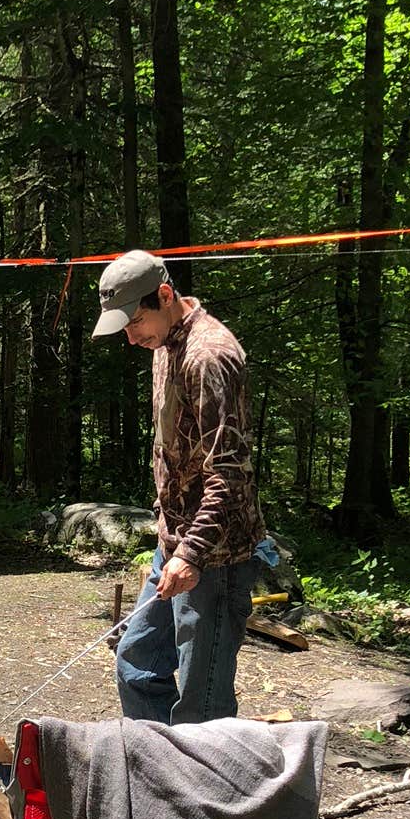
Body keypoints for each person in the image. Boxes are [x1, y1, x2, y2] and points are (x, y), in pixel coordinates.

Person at [92, 248, 266, 724]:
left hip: (215, 555)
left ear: (164, 295)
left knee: (201, 705)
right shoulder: (164, 345)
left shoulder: (210, 355)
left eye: (134, 323)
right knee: (137, 665)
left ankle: (203, 794)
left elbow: (230, 471)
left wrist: (192, 554)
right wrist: (172, 537)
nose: (130, 338)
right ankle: (158, 776)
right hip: (175, 542)